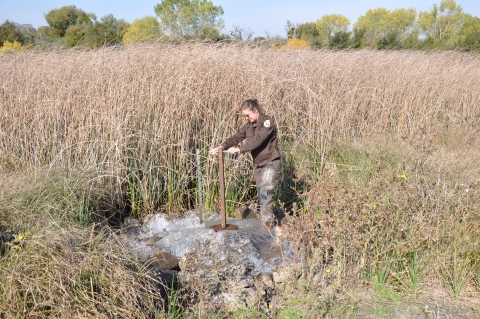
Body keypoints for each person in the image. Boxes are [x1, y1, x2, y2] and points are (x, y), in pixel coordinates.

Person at [209, 99, 282, 229]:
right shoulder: (249, 126)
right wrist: (222, 147)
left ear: (255, 110)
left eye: (248, 115)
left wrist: (239, 149)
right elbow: (236, 137)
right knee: (262, 195)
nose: (247, 118)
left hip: (271, 162)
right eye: (244, 116)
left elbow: (258, 141)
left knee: (264, 192)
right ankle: (268, 223)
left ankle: (268, 228)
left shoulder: (267, 122)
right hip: (259, 164)